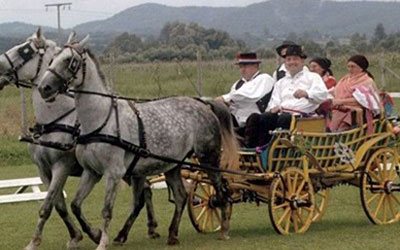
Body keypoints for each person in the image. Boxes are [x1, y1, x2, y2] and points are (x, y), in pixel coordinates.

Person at [245, 45, 328, 147]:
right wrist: (274, 108)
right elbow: (274, 101)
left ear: (302, 61)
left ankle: (277, 149)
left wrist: (307, 94)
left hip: (302, 117)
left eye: (295, 59)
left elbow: (323, 94)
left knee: (284, 118)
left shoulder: (312, 77)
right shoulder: (281, 82)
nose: (292, 62)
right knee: (258, 117)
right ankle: (254, 148)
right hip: (282, 114)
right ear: (285, 63)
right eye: (288, 59)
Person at [217, 52, 274, 139]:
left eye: (246, 66)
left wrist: (224, 98)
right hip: (238, 121)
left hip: (256, 123)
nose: (243, 70)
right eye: (241, 67)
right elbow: (234, 101)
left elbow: (247, 95)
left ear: (255, 66)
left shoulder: (264, 78)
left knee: (253, 118)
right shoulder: (238, 84)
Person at [330, 55, 381, 132]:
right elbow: (336, 92)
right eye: (348, 66)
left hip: (358, 113)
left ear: (361, 67)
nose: (350, 69)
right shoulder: (345, 79)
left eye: (353, 67)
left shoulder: (367, 81)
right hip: (341, 109)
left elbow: (364, 100)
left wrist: (341, 102)